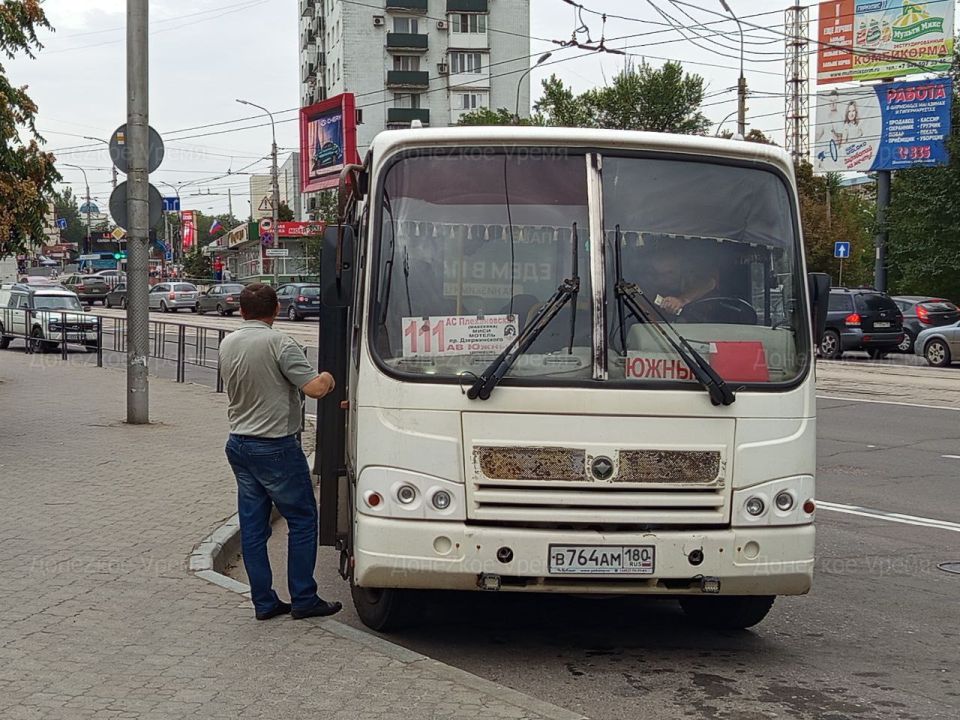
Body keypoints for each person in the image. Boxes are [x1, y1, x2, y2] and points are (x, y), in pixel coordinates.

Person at [218, 283, 341, 621]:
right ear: (276, 309)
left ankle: (264, 602)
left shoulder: (228, 342)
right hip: (275, 447)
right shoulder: (280, 343)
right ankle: (304, 597)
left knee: (253, 527)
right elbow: (315, 389)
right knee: (302, 519)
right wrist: (329, 377)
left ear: (242, 311)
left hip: (238, 443)